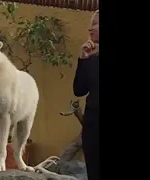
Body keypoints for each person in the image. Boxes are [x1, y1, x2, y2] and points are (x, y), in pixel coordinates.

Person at [73, 10, 99, 180]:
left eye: (95, 23)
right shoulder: (92, 59)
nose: (90, 28)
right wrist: (84, 58)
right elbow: (79, 90)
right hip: (93, 129)